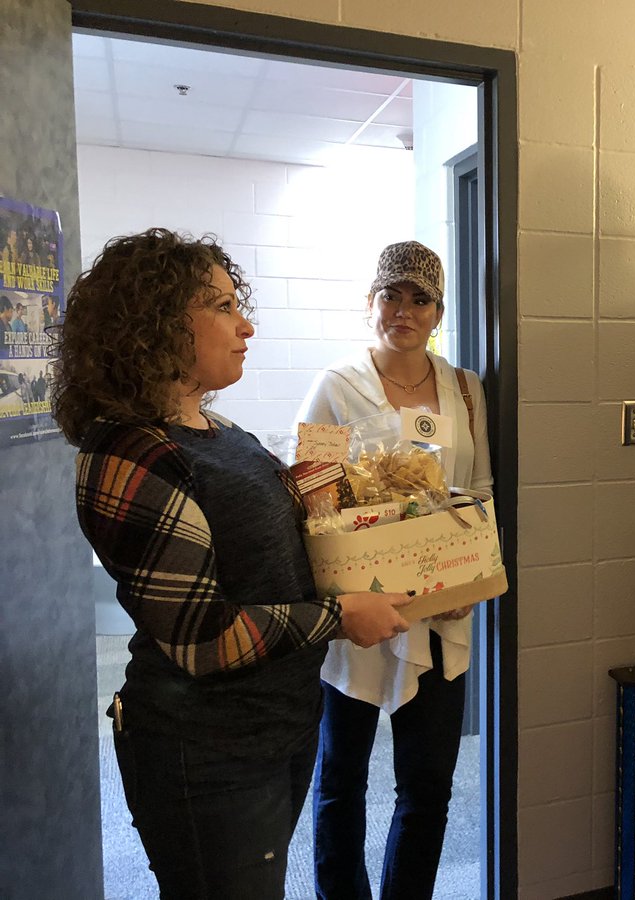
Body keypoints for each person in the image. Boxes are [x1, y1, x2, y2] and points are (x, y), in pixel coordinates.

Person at [51, 228, 414, 900]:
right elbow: (202, 639)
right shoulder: (129, 455)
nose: (244, 325)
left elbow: (287, 546)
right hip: (205, 749)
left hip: (274, 726)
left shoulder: (222, 434)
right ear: (155, 322)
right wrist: (339, 615)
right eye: (221, 306)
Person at [297, 240, 493, 900]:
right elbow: (313, 494)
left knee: (428, 785)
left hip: (440, 615)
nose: (403, 309)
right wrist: (348, 592)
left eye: (420, 298)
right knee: (343, 777)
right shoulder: (336, 387)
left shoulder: (465, 389)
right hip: (360, 608)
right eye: (391, 294)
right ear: (370, 302)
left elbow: (481, 493)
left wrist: (467, 584)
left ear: (438, 311)